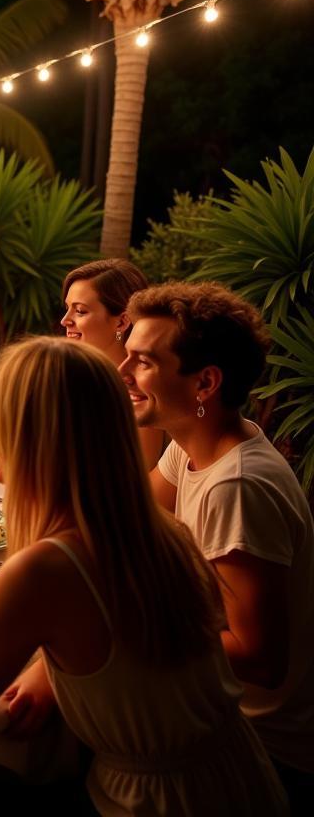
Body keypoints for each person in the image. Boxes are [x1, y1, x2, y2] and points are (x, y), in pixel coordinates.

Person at [0, 336, 286, 815]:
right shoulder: (163, 532)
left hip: (156, 801)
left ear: (35, 436)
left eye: (1, 412)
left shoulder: (43, 568)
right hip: (237, 776)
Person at [121, 282, 314, 799]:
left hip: (253, 746)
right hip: (208, 706)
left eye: (142, 362)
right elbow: (130, 520)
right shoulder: (194, 445)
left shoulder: (238, 487)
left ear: (205, 383)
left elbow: (260, 658)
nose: (122, 373)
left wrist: (129, 629)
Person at [61, 258, 163, 467]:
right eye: (67, 308)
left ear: (122, 322)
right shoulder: (75, 376)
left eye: (80, 311)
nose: (65, 320)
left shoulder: (139, 394)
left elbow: (139, 479)